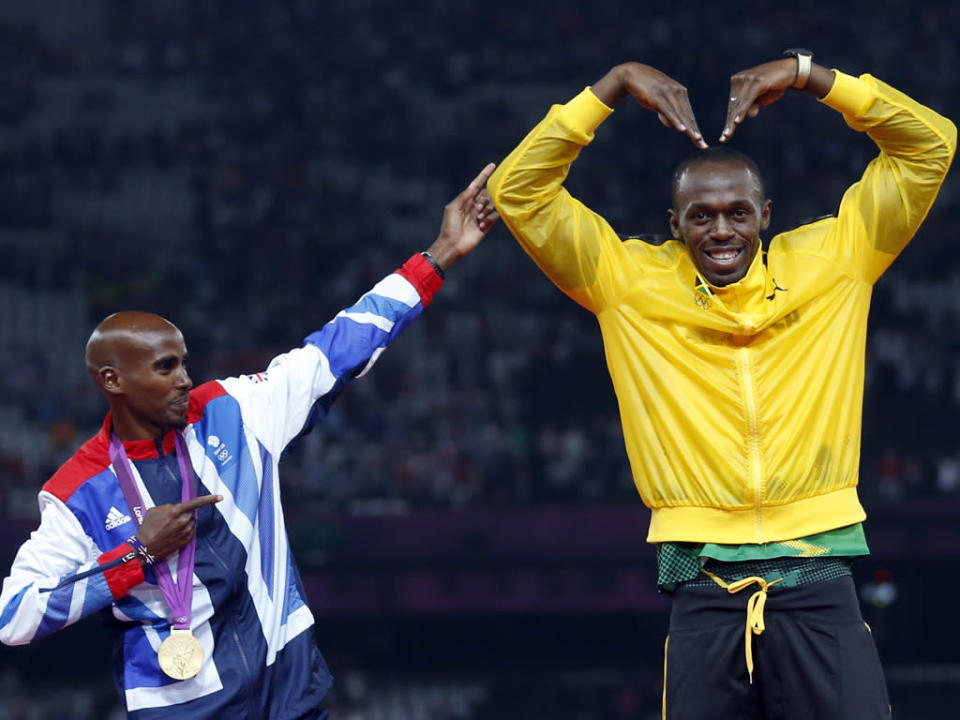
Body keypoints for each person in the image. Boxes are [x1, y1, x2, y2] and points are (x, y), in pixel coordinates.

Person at [487, 52, 955, 719]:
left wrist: (806, 75)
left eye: (738, 213)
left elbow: (931, 146)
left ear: (766, 214)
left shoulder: (837, 259)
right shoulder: (626, 282)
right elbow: (519, 190)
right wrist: (611, 88)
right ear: (675, 225)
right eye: (701, 216)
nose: (722, 230)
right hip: (703, 581)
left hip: (818, 568)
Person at [0, 164, 499, 719]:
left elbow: (338, 347)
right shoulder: (78, 492)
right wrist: (137, 556)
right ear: (112, 381)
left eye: (184, 363)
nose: (185, 378)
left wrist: (438, 257)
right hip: (185, 707)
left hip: (290, 690)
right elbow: (14, 617)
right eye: (166, 368)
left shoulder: (232, 411)